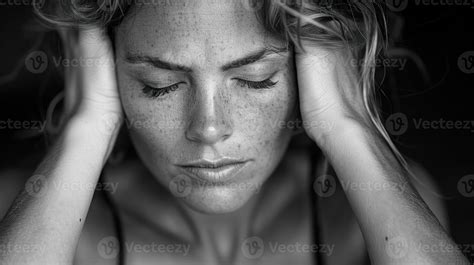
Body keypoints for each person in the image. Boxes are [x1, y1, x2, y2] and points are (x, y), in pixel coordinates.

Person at [0, 0, 469, 264]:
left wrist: (347, 123)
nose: (208, 128)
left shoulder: (373, 216)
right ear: (105, 72)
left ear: (316, 71)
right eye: (158, 85)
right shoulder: (30, 213)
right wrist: (87, 127)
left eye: (256, 79)